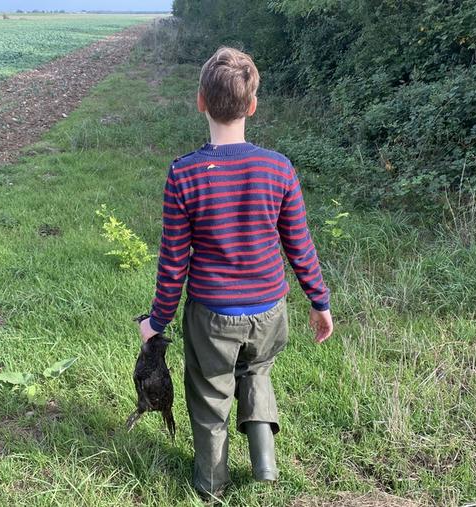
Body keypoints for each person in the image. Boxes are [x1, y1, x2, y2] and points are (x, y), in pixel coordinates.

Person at [138, 46, 333, 499]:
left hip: (212, 315)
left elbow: (173, 263)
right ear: (253, 104)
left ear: (200, 100)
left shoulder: (183, 174)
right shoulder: (278, 168)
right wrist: (319, 302)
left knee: (210, 397)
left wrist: (158, 320)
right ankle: (264, 457)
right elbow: (300, 245)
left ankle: (210, 485)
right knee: (257, 370)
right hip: (270, 310)